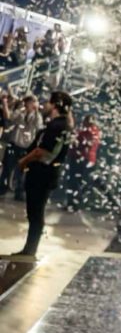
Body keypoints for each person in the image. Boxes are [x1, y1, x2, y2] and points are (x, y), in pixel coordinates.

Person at [9, 91, 73, 257]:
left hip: (42, 174)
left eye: (48, 102)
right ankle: (29, 249)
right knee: (35, 212)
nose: (45, 105)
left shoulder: (56, 126)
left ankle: (30, 250)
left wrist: (24, 161)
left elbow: (42, 151)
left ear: (55, 105)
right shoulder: (64, 125)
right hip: (47, 174)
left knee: (36, 212)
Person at [0, 94, 44, 200]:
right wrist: (7, 104)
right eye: (29, 102)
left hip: (27, 147)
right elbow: (9, 117)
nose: (31, 105)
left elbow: (39, 126)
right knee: (7, 168)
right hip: (14, 145)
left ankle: (19, 193)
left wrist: (36, 111)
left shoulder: (37, 116)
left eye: (33, 102)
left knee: (22, 171)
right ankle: (2, 189)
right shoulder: (20, 112)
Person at [64, 114, 101, 211]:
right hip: (87, 159)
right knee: (79, 182)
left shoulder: (89, 132)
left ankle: (74, 204)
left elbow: (83, 143)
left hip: (81, 158)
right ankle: (74, 203)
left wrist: (75, 139)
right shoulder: (95, 132)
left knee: (75, 181)